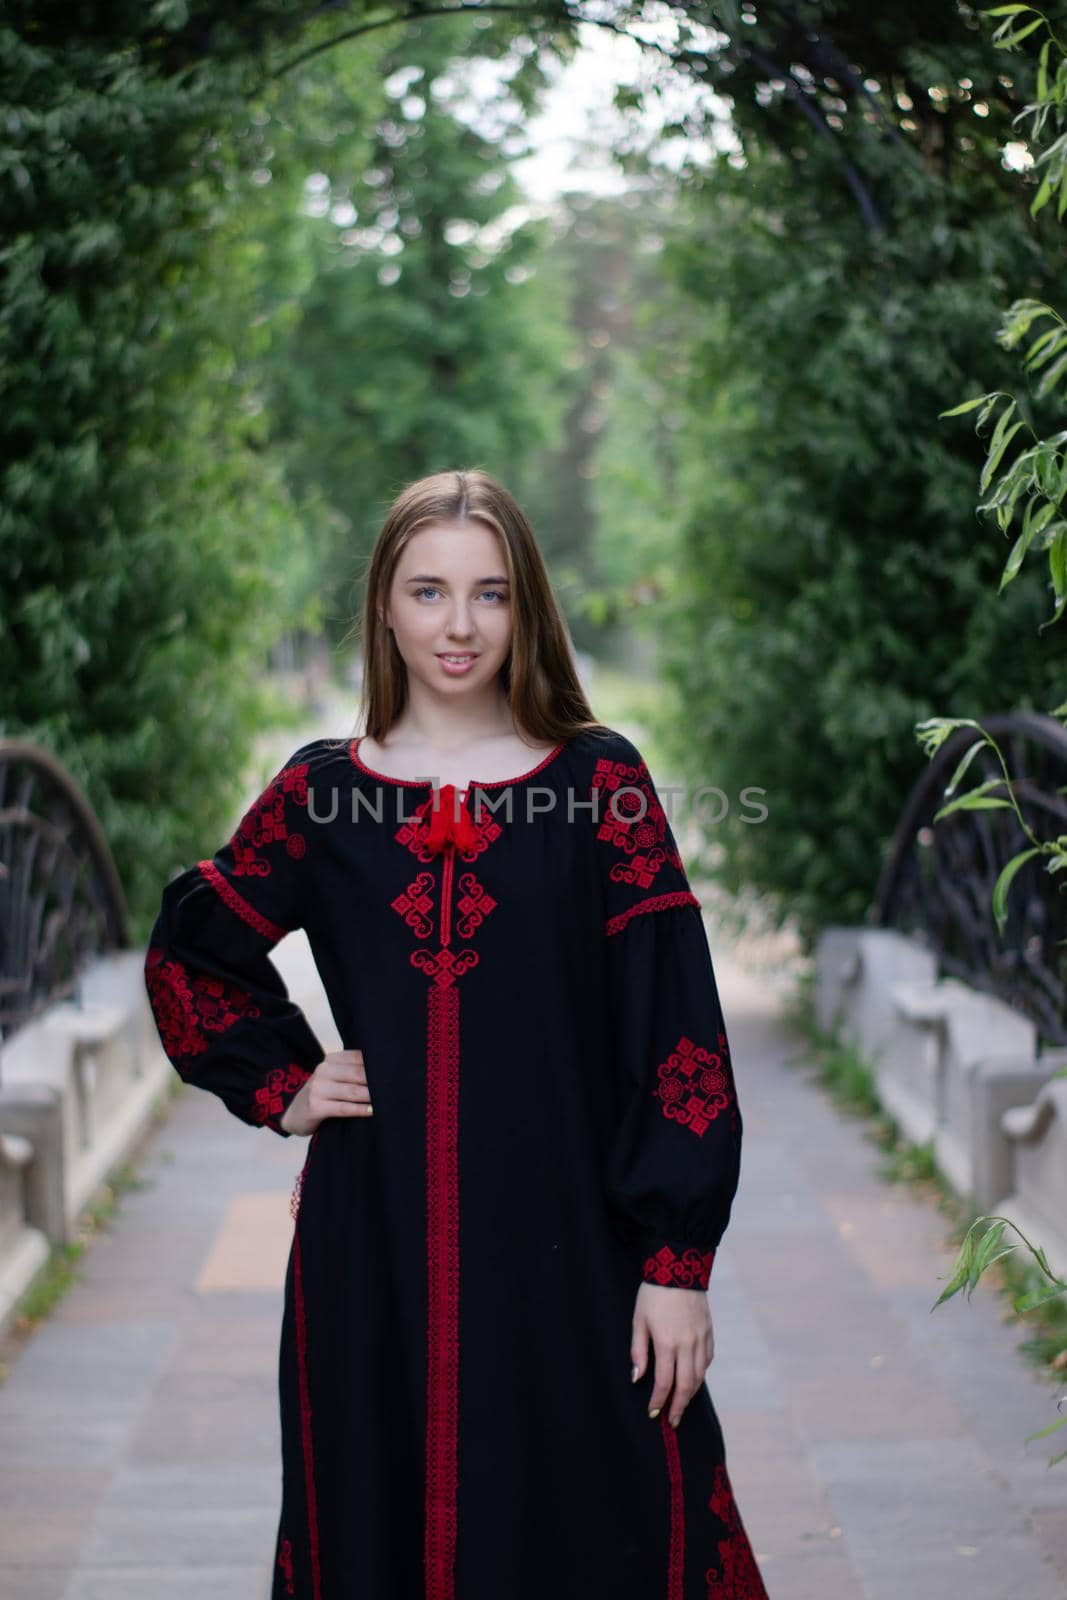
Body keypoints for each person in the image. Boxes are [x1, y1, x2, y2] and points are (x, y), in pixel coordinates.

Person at [143, 468, 768, 1600]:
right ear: (383, 603)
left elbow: (676, 1033)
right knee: (379, 1518)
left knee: (610, 1510)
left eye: (489, 594)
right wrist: (283, 1079)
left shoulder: (600, 784)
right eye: (427, 591)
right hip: (368, 1246)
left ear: (525, 607)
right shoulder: (320, 797)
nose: (458, 624)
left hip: (574, 1242)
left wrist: (677, 1262)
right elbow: (194, 950)